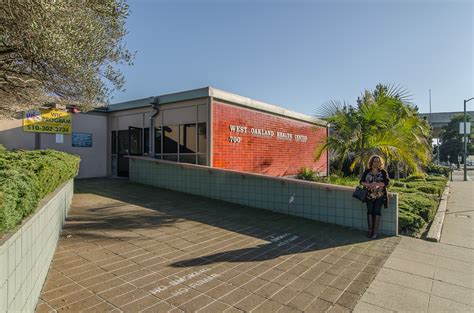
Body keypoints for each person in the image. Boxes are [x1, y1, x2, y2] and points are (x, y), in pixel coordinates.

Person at [359, 155, 390, 239]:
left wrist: (377, 184)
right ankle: (370, 231)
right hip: (369, 196)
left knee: (376, 212)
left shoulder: (383, 172)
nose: (376, 163)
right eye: (374, 161)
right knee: (369, 212)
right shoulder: (367, 171)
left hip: (380, 196)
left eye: (378, 161)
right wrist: (369, 184)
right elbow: (361, 182)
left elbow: (387, 183)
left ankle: (375, 232)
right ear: (371, 162)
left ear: (380, 163)